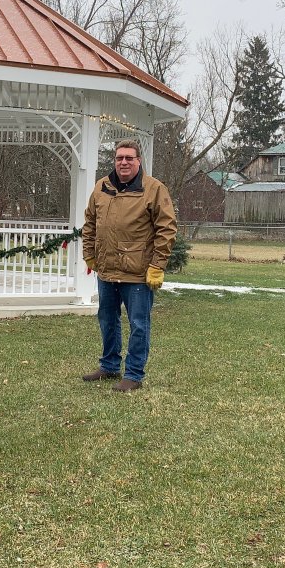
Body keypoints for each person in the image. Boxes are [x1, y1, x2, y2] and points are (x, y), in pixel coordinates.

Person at [80, 139, 177, 391]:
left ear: (138, 161)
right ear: (115, 160)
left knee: (139, 324)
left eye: (129, 158)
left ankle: (133, 374)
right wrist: (90, 253)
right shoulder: (101, 187)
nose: (123, 162)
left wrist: (157, 265)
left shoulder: (154, 189)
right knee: (107, 319)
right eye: (119, 157)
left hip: (138, 274)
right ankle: (110, 365)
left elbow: (166, 229)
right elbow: (90, 222)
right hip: (107, 270)